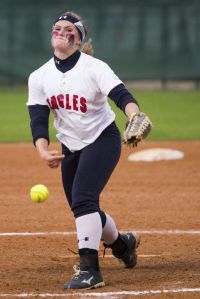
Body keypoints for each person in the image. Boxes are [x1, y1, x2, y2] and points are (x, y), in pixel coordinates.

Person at [27, 11, 143, 290]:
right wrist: (43, 149)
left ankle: (90, 270)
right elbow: (38, 119)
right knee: (83, 209)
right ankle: (122, 244)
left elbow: (122, 96)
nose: (60, 31)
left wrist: (135, 115)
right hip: (71, 147)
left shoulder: (94, 68)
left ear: (78, 40)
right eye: (57, 27)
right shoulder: (39, 76)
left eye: (68, 29)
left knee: (83, 200)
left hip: (102, 139)